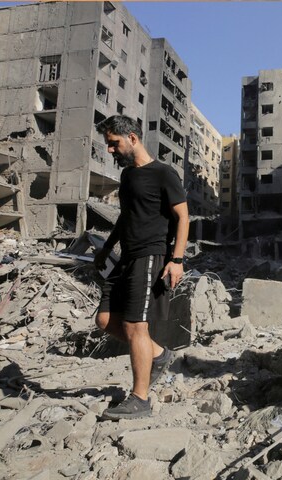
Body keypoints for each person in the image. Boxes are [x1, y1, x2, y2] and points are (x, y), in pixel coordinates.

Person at [93, 115, 189, 420]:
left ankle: (140, 398)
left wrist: (176, 260)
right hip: (127, 256)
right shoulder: (128, 178)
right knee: (105, 319)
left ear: (132, 138)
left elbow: (183, 218)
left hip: (150, 255)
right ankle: (159, 354)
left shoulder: (163, 173)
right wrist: (107, 247)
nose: (110, 150)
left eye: (114, 143)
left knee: (136, 326)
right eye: (108, 144)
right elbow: (126, 217)